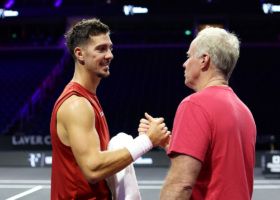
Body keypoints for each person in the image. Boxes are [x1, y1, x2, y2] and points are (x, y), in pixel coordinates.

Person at [50, 18, 170, 199]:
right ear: (80, 54)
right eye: (101, 49)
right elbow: (92, 168)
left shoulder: (89, 99)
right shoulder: (77, 104)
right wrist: (147, 141)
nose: (109, 55)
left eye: (110, 48)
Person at [140, 26, 256, 200]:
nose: (184, 63)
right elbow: (219, 167)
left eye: (188, 56)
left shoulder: (194, 105)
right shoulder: (245, 112)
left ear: (204, 60)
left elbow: (180, 184)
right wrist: (168, 143)